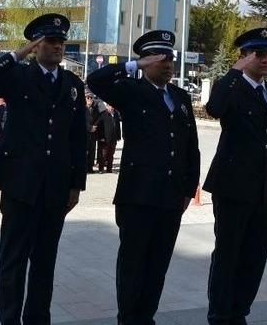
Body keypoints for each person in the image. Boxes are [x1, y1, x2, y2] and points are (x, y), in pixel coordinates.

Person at [0, 13, 87, 325]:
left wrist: (76, 185)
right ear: (36, 45)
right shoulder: (19, 75)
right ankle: (9, 320)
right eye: (50, 40)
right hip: (20, 185)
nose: (58, 46)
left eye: (61, 41)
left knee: (45, 263)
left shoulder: (72, 84)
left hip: (55, 188)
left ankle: (38, 319)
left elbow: (78, 137)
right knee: (13, 261)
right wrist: (16, 54)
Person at [87, 30, 201, 323]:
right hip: (138, 196)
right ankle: (128, 318)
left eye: (170, 59)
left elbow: (191, 146)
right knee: (133, 265)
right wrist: (132, 65)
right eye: (161, 59)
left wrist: (188, 189)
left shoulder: (180, 97)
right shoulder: (131, 90)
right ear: (147, 61)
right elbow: (95, 80)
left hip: (171, 197)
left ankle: (146, 317)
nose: (168, 64)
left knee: (158, 266)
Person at [203, 27, 267, 325]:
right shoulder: (231, 87)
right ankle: (220, 314)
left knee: (255, 256)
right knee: (228, 255)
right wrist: (234, 72)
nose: (265, 60)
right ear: (244, 57)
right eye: (258, 54)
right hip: (233, 188)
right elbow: (214, 108)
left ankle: (240, 312)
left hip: (265, 191)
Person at [94, 103, 121, 173]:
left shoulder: (116, 114)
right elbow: (97, 125)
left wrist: (118, 136)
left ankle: (109, 169)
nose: (111, 107)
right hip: (104, 139)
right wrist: (100, 137)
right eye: (110, 106)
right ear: (107, 106)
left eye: (112, 106)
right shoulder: (103, 114)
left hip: (113, 138)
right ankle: (101, 169)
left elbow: (118, 126)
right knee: (103, 155)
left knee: (111, 154)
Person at [84, 93, 100, 173]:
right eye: (88, 97)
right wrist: (90, 128)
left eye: (91, 98)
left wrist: (94, 126)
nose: (89, 99)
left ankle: (90, 168)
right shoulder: (82, 109)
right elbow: (82, 121)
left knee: (92, 151)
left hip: (93, 133)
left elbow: (99, 118)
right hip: (85, 133)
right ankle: (85, 168)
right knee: (85, 151)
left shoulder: (95, 108)